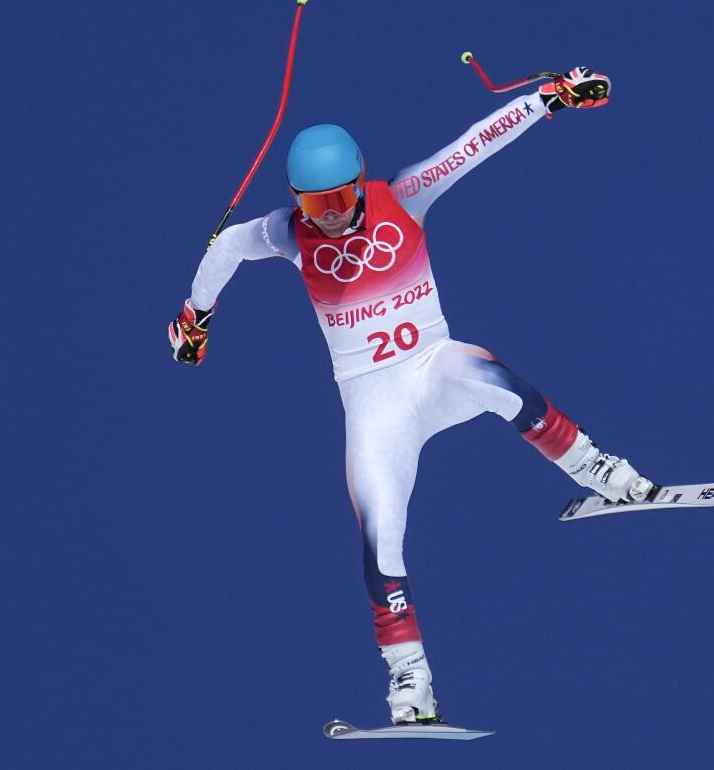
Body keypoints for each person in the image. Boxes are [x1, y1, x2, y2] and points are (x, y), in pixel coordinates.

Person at [169, 67, 654, 724]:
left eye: (339, 197)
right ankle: (411, 685)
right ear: (297, 201)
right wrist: (195, 317)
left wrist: (550, 98)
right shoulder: (288, 234)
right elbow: (227, 245)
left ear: (359, 180)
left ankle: (607, 476)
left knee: (497, 383)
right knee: (380, 539)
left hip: (430, 366)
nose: (333, 215)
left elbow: (475, 142)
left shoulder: (404, 195)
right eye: (316, 205)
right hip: (374, 406)